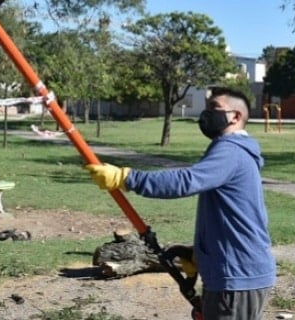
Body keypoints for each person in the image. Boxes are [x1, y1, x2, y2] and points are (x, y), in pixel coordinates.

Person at [86, 86, 276, 320]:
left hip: (236, 276)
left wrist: (127, 178)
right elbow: (231, 216)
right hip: (234, 272)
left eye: (214, 109)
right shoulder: (235, 151)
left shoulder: (231, 151)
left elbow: (186, 181)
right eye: (206, 108)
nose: (206, 115)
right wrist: (199, 254)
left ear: (236, 116)